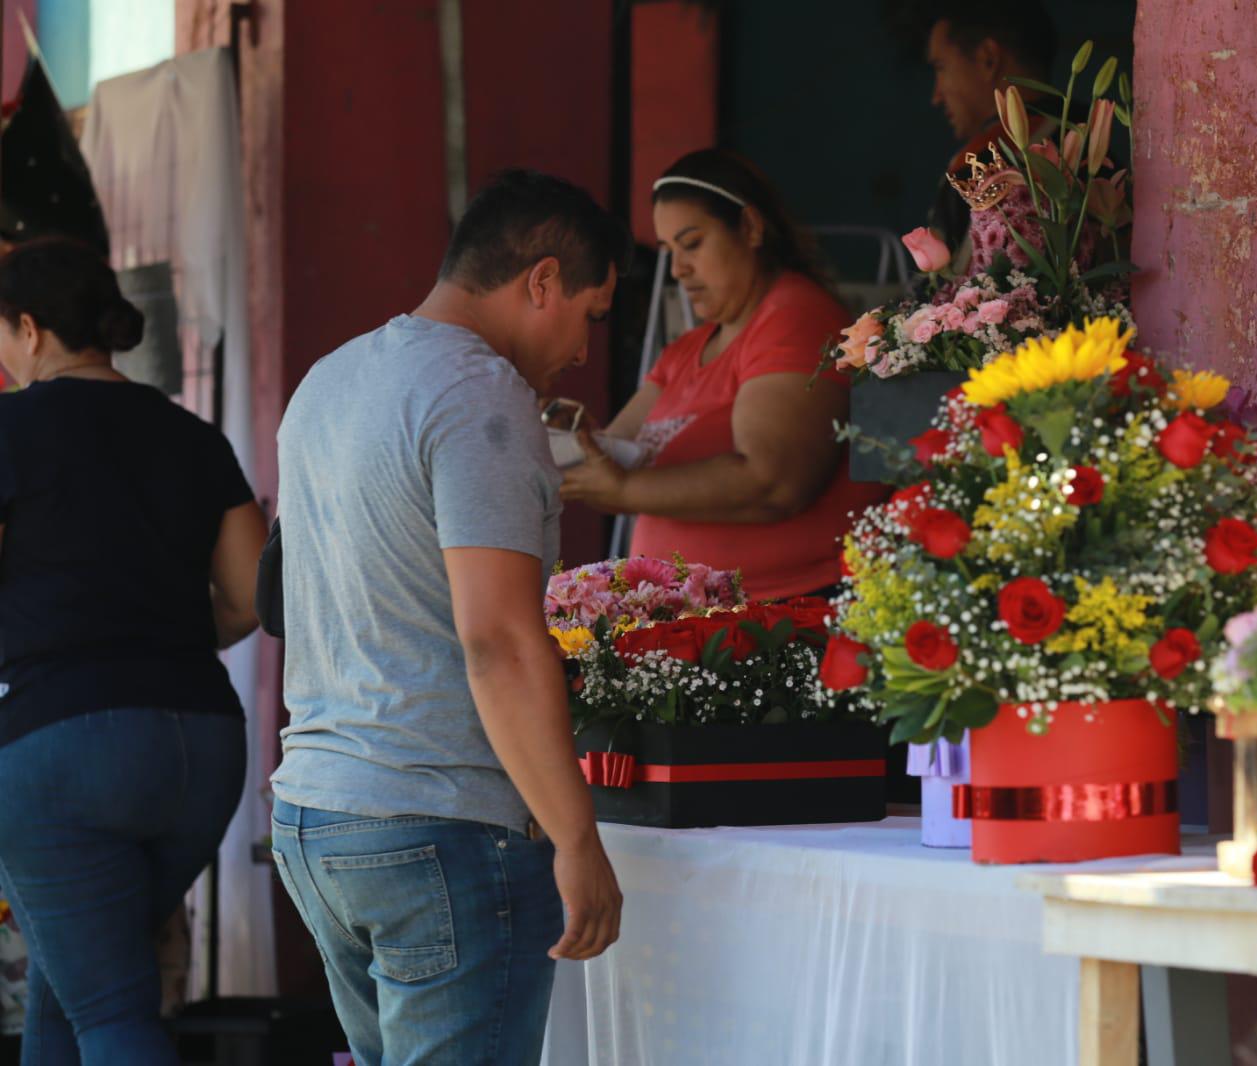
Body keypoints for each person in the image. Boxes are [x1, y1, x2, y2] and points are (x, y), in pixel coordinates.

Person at [271, 169, 628, 1063]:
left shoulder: (330, 377)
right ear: (541, 279)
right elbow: (499, 639)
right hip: (437, 822)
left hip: (316, 809)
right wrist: (577, 838)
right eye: (588, 313)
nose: (585, 350)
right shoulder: (478, 393)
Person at [0, 237, 266, 1065]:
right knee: (72, 981)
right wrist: (171, 634)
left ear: (31, 328)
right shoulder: (194, 436)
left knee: (112, 1012)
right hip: (203, 748)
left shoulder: (8, 425)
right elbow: (253, 595)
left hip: (61, 748)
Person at [559, 149, 883, 600]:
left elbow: (774, 482)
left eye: (692, 243)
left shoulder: (794, 315)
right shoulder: (686, 350)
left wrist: (625, 489)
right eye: (669, 251)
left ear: (750, 228)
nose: (677, 269)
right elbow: (609, 453)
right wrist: (558, 436)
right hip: (689, 635)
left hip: (780, 616)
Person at [924, 1, 1059, 257]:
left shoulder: (982, 161)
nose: (936, 96)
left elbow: (941, 288)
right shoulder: (1097, 136)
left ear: (988, 59)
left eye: (941, 67)